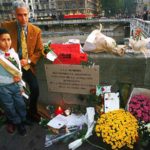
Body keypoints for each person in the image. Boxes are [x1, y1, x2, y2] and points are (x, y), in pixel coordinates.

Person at [0, 1, 44, 122]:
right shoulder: (6, 26)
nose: (23, 18)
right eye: (19, 15)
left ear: (29, 14)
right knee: (8, 94)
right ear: (15, 14)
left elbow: (40, 51)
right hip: (10, 66)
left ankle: (32, 112)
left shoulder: (36, 31)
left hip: (26, 66)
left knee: (35, 89)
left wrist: (28, 60)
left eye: (25, 14)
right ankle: (11, 119)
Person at [0, 28, 27, 136]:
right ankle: (18, 123)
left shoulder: (13, 53)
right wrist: (11, 79)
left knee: (20, 104)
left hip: (16, 86)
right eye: (3, 40)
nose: (7, 43)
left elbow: (19, 71)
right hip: (3, 88)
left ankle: (23, 119)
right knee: (9, 107)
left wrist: (20, 86)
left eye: (9, 39)